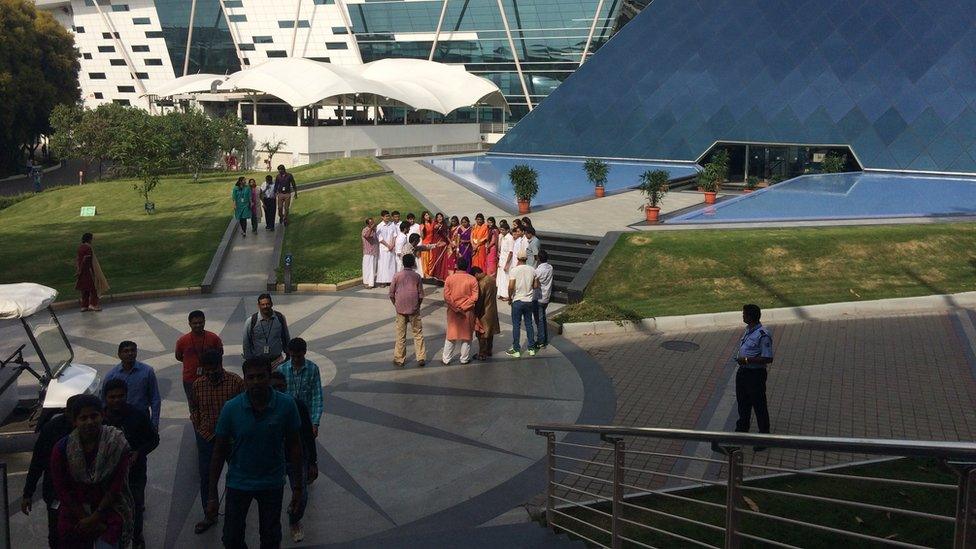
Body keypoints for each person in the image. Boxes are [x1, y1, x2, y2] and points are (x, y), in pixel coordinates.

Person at [206, 358, 304, 549]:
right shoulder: (231, 408)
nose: (256, 382)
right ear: (244, 379)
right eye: (251, 377)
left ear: (269, 377)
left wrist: (298, 488)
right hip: (238, 482)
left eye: (261, 376)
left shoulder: (286, 405)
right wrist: (211, 496)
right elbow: (218, 452)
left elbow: (295, 447)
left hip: (272, 482)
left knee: (270, 537)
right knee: (231, 538)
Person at [50, 394, 134, 549]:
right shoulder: (62, 449)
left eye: (94, 416)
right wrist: (86, 518)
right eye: (83, 418)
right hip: (75, 516)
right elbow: (61, 488)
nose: (89, 422)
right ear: (75, 421)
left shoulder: (116, 444)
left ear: (102, 415)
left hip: (108, 513)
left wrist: (96, 517)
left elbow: (116, 486)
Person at [190, 349, 244, 534]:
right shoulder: (197, 385)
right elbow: (194, 408)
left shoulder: (236, 382)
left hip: (231, 438)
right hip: (207, 438)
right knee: (207, 477)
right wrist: (199, 427)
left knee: (237, 475)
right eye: (207, 369)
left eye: (214, 367)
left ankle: (235, 511)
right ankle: (209, 513)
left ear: (221, 364)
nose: (211, 372)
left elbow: (245, 408)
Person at [103, 379, 159, 549]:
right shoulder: (100, 418)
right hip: (108, 474)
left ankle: (137, 536)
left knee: (136, 504)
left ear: (126, 396)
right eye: (112, 397)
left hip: (135, 472)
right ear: (105, 398)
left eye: (120, 396)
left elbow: (153, 439)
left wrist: (139, 453)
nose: (116, 400)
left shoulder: (138, 414)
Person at [270, 371, 318, 543]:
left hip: (297, 458)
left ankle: (294, 519)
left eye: (281, 387)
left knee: (302, 494)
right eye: (274, 387)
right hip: (274, 460)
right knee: (271, 496)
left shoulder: (297, 405)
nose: (278, 390)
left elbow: (307, 434)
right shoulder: (262, 407)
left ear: (286, 387)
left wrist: (312, 461)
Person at [22, 408, 73, 548]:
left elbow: (37, 462)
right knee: (57, 534)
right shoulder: (53, 429)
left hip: (69, 494)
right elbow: (38, 461)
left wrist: (28, 493)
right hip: (57, 492)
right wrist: (28, 493)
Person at [733, 304, 774, 439]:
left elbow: (768, 358)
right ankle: (741, 431)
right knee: (742, 403)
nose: (742, 316)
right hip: (743, 372)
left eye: (744, 314)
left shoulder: (763, 334)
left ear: (751, 317)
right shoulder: (749, 330)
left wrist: (746, 360)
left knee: (758, 405)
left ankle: (764, 436)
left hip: (755, 375)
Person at [102, 341, 161, 429]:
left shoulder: (147, 371)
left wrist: (154, 423)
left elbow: (155, 398)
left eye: (132, 350)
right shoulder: (111, 376)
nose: (130, 353)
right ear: (119, 355)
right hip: (119, 419)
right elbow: (103, 400)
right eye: (126, 351)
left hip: (142, 417)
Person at [175, 310, 224, 407]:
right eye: (195, 323)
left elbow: (219, 354)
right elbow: (179, 356)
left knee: (213, 403)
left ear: (204, 322)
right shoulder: (182, 341)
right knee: (194, 405)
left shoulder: (213, 338)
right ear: (189, 324)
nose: (198, 325)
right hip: (190, 379)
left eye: (200, 322)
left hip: (211, 377)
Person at [277, 338, 324, 435]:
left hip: (306, 418)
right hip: (287, 418)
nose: (296, 360)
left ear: (305, 352)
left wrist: (315, 423)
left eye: (299, 356)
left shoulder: (313, 369)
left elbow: (317, 397)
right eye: (293, 356)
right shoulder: (281, 370)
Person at [389, 254, 426, 367]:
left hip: (400, 309)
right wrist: (417, 305)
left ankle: (399, 358)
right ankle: (420, 357)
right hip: (414, 309)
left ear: (403, 263)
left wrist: (396, 304)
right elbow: (420, 295)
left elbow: (391, 293)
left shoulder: (397, 276)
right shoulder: (417, 276)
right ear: (413, 263)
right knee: (418, 333)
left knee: (400, 334)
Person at [442, 257, 479, 365]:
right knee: (466, 336)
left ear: (456, 266)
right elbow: (475, 297)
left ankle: (446, 359)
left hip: (453, 311)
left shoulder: (449, 279)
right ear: (467, 266)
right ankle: (464, 359)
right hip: (467, 312)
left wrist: (456, 307)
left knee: (451, 335)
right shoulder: (472, 279)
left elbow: (447, 296)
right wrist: (464, 306)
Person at [243, 293, 291, 366]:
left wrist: (288, 354)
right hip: (259, 363)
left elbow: (285, 337)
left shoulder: (280, 318)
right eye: (263, 304)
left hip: (277, 361)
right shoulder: (251, 321)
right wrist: (249, 360)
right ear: (258, 305)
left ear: (271, 304)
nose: (265, 306)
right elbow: (246, 342)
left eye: (267, 304)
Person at [506, 253, 538, 358]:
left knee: (516, 325)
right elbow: (536, 285)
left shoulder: (514, 270)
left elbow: (511, 286)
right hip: (529, 301)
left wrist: (510, 297)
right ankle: (531, 348)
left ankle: (516, 349)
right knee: (529, 324)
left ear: (517, 258)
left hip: (517, 300)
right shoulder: (532, 269)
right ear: (526, 258)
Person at [75, 232, 109, 312]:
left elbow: (78, 259)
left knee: (85, 289)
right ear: (89, 239)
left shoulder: (80, 247)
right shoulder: (88, 248)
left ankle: (84, 306)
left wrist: (78, 270)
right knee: (94, 288)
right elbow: (86, 260)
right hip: (88, 271)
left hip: (81, 272)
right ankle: (93, 305)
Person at [472, 267, 500, 360]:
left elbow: (479, 301)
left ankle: (482, 353)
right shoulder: (492, 279)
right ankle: (489, 350)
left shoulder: (481, 284)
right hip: (492, 309)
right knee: (490, 332)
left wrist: (475, 313)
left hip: (484, 312)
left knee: (482, 333)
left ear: (476, 274)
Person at [532, 250, 554, 350]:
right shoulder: (550, 267)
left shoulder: (538, 271)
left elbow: (534, 282)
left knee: (539, 320)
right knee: (543, 319)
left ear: (539, 259)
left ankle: (541, 340)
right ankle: (544, 339)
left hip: (538, 297)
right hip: (546, 297)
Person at [375, 210, 398, 286]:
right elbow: (380, 239)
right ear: (382, 217)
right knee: (383, 265)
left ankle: (391, 280)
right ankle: (383, 281)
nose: (387, 217)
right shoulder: (379, 226)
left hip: (392, 247)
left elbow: (395, 235)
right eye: (386, 216)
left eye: (388, 216)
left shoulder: (392, 225)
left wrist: (392, 244)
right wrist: (388, 246)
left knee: (391, 264)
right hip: (383, 248)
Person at [430, 212, 452, 280]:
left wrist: (449, 243)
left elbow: (447, 235)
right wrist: (438, 226)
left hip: (443, 244)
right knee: (436, 259)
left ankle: (441, 275)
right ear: (436, 218)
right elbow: (435, 227)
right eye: (438, 217)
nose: (439, 218)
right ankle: (434, 274)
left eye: (441, 217)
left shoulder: (445, 225)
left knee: (443, 260)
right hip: (436, 244)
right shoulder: (435, 224)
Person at [496, 221, 514, 301]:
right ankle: (501, 293)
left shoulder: (510, 238)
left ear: (507, 230)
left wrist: (507, 264)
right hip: (502, 260)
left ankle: (507, 295)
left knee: (506, 278)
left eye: (503, 230)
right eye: (501, 230)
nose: (501, 231)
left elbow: (510, 252)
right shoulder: (503, 237)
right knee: (501, 277)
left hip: (507, 261)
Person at [361, 217, 378, 289]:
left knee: (373, 268)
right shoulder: (365, 230)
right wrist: (371, 228)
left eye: (373, 222)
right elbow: (367, 236)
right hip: (368, 252)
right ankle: (366, 283)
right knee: (367, 268)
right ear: (368, 224)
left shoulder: (375, 230)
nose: (373, 224)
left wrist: (373, 229)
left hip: (374, 252)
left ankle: (371, 283)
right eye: (371, 223)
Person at [420, 211, 436, 278]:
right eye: (426, 215)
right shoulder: (422, 225)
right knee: (425, 259)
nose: (428, 216)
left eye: (428, 215)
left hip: (432, 243)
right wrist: (422, 230)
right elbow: (422, 237)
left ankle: (430, 272)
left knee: (431, 259)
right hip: (425, 244)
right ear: (423, 217)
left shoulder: (432, 223)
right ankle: (425, 273)